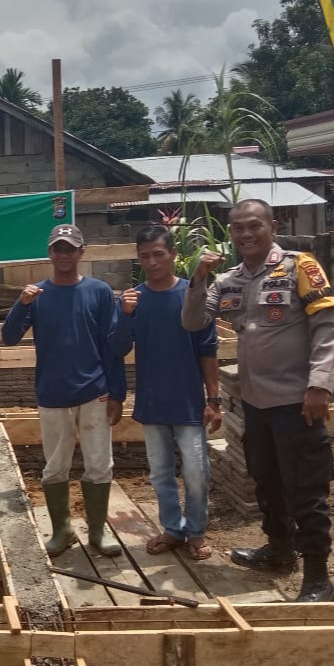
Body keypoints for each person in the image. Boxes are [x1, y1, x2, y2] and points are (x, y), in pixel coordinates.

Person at [182, 199, 334, 602]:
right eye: (237, 228)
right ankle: (279, 550)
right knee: (267, 482)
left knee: (306, 489)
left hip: (297, 402)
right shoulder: (230, 279)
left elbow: (325, 327)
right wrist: (198, 277)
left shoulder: (299, 266)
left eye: (254, 226)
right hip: (256, 404)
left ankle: (319, 577)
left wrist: (320, 384)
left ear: (272, 225)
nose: (245, 234)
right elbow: (193, 321)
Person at [1, 224, 126, 558]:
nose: (64, 254)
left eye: (70, 248)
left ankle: (97, 533)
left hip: (94, 391)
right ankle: (63, 530)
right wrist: (21, 303)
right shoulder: (37, 295)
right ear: (50, 253)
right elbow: (9, 337)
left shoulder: (99, 292)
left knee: (99, 463)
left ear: (81, 253)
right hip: (53, 392)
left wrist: (117, 393)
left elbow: (111, 347)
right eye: (58, 248)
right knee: (55, 466)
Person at [111, 226, 222, 561]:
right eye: (144, 256)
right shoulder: (134, 299)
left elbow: (208, 348)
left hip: (188, 402)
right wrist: (124, 314)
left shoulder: (191, 294)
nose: (152, 261)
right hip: (152, 401)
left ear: (173, 254)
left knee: (196, 471)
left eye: (159, 254)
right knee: (160, 473)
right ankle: (173, 529)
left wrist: (213, 400)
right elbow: (117, 348)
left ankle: (197, 532)